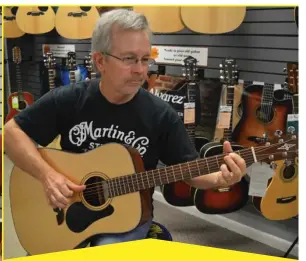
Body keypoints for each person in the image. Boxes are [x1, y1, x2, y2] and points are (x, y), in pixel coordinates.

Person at [4, 9, 247, 252]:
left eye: (145, 59)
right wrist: (47, 176)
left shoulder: (161, 115)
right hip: (66, 209)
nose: (141, 70)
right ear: (100, 61)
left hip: (127, 221)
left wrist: (219, 178)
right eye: (129, 59)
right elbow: (12, 132)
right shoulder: (69, 100)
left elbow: (190, 171)